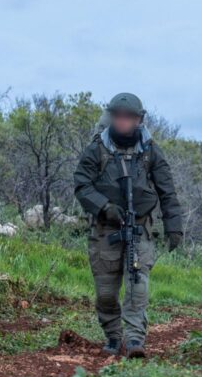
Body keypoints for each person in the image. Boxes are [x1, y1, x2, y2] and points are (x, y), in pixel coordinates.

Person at [73, 93, 183, 359]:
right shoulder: (97, 149)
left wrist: (174, 226)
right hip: (105, 228)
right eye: (118, 117)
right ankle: (113, 336)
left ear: (138, 120)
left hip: (140, 227)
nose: (123, 122)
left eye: (129, 118)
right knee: (106, 292)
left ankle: (134, 339)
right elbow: (82, 184)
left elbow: (167, 190)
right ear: (111, 117)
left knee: (137, 285)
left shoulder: (150, 150)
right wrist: (104, 207)